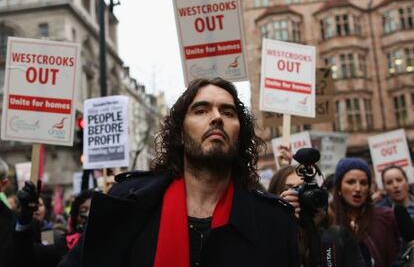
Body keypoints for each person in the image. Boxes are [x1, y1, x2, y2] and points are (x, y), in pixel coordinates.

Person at [59, 77, 300, 267]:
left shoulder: (275, 223)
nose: (217, 118)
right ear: (180, 134)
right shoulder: (127, 205)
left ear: (240, 133)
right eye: (201, 110)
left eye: (228, 112)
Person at [269, 164, 365, 266]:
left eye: (304, 189)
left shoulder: (336, 237)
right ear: (276, 196)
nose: (299, 195)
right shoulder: (267, 239)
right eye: (292, 189)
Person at [6, 182, 94, 267]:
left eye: (40, 205)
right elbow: (28, 254)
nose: (36, 209)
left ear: (46, 208)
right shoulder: (64, 242)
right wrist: (25, 219)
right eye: (83, 211)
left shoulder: (47, 231)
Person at [332, 158, 401, 267]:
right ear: (339, 188)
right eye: (351, 182)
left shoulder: (387, 217)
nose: (358, 188)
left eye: (363, 183)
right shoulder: (328, 223)